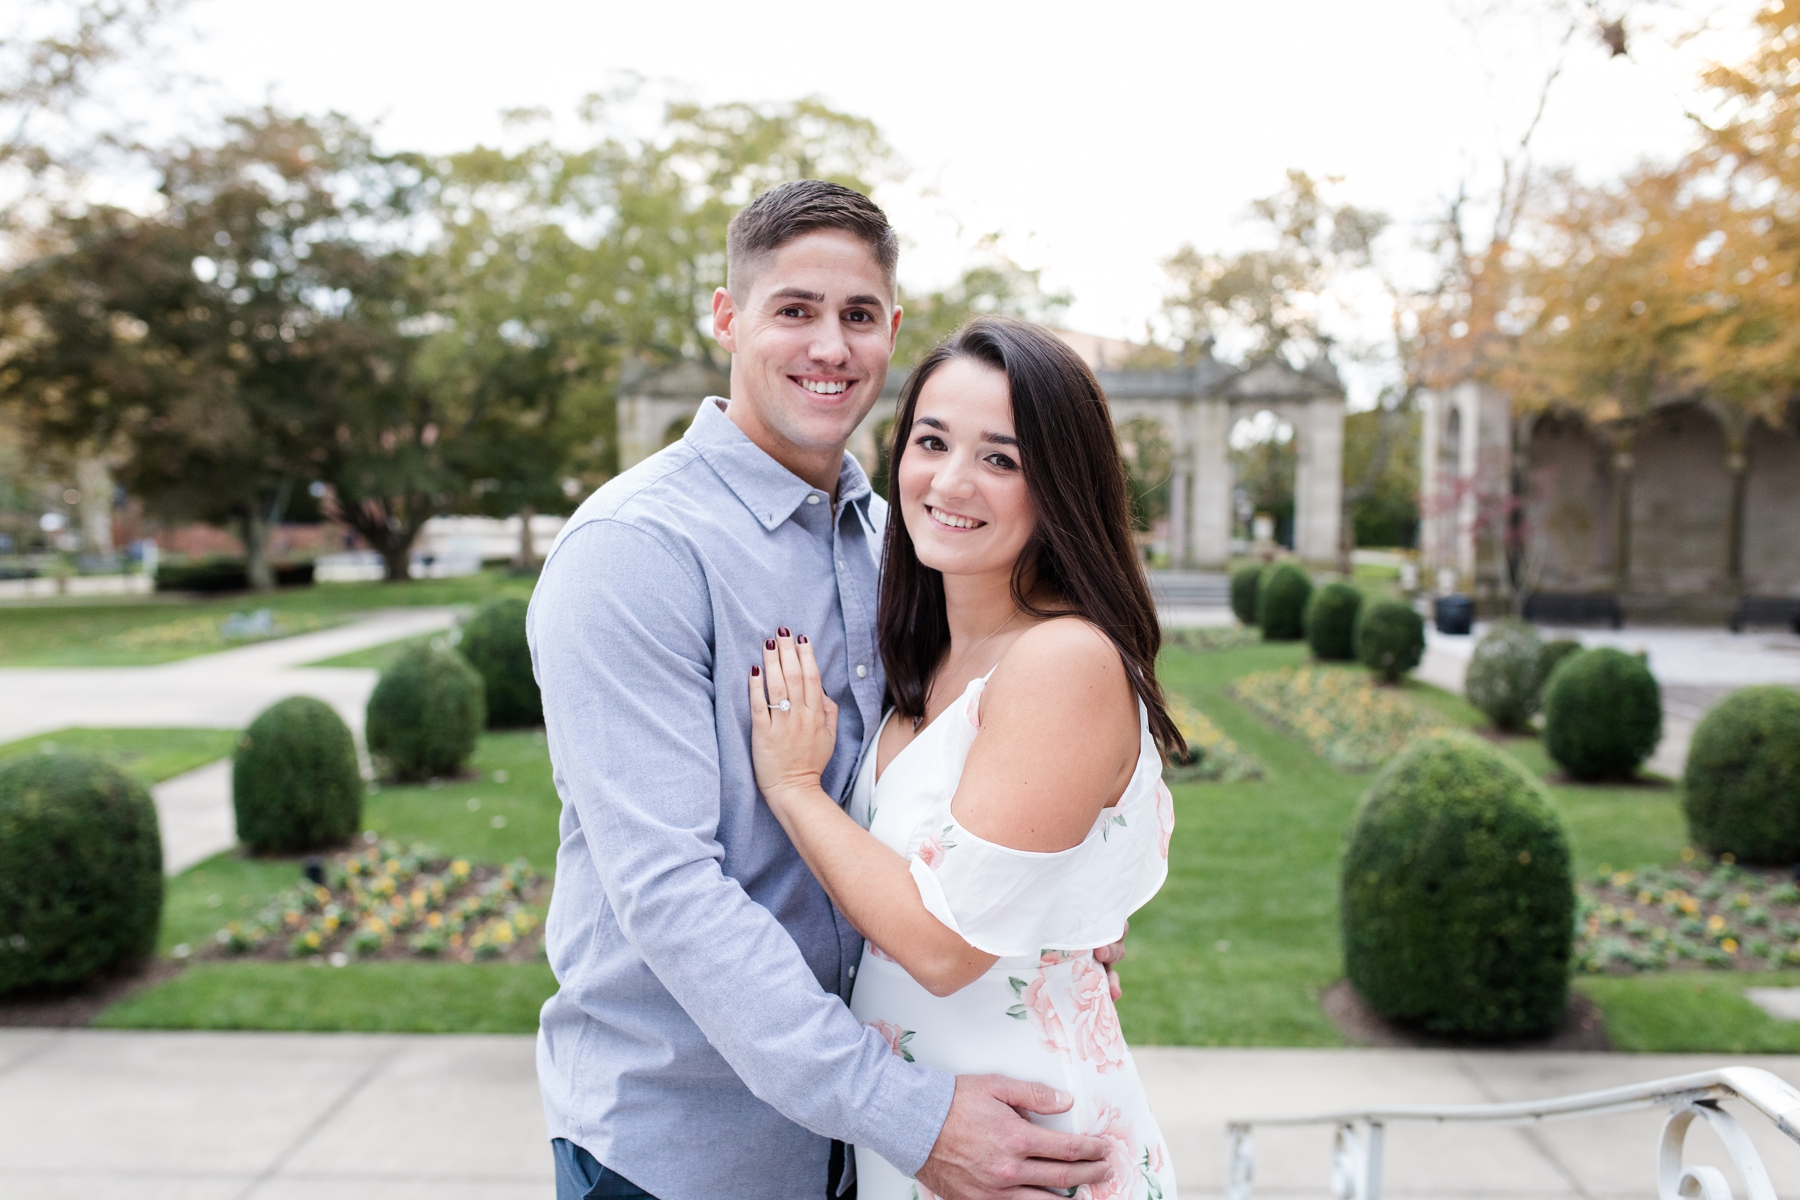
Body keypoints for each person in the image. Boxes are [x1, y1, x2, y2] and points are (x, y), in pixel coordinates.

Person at [528, 181, 1123, 1200]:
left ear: (893, 330)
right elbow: (670, 893)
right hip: (693, 1150)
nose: (830, 347)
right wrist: (906, 1115)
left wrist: (1063, 894)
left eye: (857, 317)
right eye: (794, 310)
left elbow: (1013, 760)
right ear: (727, 317)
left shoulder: (906, 539)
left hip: (882, 1146)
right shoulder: (634, 554)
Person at [747, 316, 1184, 1200]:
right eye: (931, 441)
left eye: (1001, 459)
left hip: (1026, 1146)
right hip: (927, 1135)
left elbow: (946, 947)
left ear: (1060, 486)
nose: (950, 481)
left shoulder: (1063, 659)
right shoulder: (936, 651)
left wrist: (797, 790)